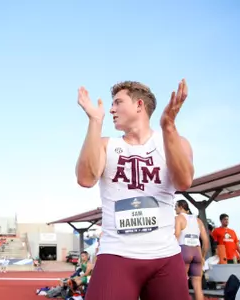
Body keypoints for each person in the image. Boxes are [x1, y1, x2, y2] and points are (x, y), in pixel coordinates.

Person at [76, 79, 194, 300]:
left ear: (139, 105)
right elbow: (85, 179)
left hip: (165, 257)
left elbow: (183, 181)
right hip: (117, 254)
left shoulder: (175, 141)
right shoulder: (105, 145)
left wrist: (168, 125)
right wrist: (95, 121)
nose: (111, 109)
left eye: (118, 102)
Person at [174, 200, 209, 300]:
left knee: (181, 284)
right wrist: (202, 256)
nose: (174, 209)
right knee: (198, 287)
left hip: (184, 250)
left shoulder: (178, 218)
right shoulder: (198, 220)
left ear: (181, 207)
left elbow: (176, 236)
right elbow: (206, 242)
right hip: (197, 251)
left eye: (175, 206)